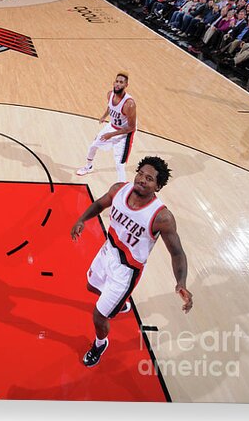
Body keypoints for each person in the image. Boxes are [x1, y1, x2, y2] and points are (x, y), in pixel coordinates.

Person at [71, 156, 193, 366]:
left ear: (158, 186)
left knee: (99, 317)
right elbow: (100, 204)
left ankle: (100, 344)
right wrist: (82, 219)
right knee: (91, 286)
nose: (142, 180)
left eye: (149, 179)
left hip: (126, 271)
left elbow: (177, 253)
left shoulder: (162, 217)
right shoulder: (119, 189)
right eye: (140, 174)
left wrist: (181, 282)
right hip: (107, 251)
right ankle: (119, 303)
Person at [76, 72, 136, 181]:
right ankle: (88, 166)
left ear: (126, 85)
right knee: (93, 146)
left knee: (120, 164)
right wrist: (104, 116)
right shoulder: (110, 94)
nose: (118, 84)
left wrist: (111, 135)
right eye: (117, 81)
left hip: (125, 134)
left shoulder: (129, 104)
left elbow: (131, 127)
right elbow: (110, 107)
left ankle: (121, 188)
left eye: (121, 82)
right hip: (111, 127)